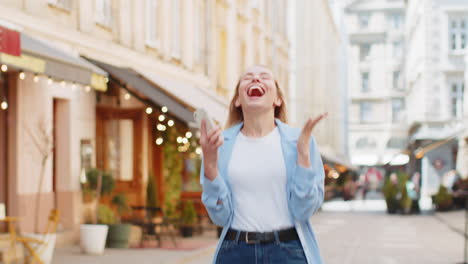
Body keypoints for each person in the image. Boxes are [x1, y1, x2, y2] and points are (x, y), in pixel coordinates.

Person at [199, 65, 327, 264]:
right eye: (248, 77)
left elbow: (304, 210)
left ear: (278, 100)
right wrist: (209, 168)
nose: (256, 79)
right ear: (237, 100)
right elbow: (220, 217)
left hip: (288, 252)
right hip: (235, 252)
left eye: (264, 77)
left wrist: (302, 156)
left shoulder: (300, 141)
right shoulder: (220, 144)